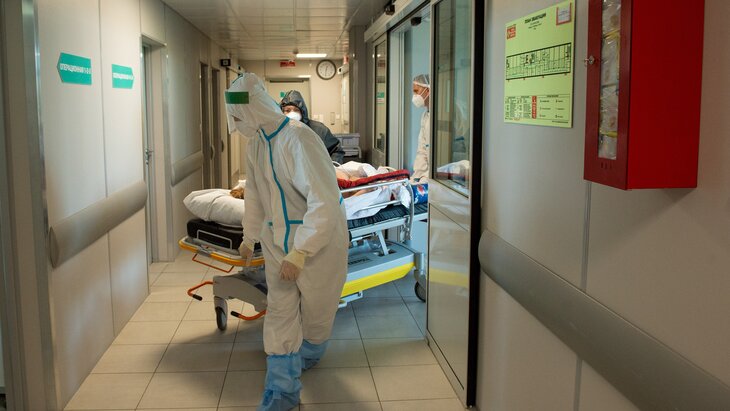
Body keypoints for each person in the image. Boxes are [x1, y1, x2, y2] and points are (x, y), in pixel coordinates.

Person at [225, 73, 348, 411]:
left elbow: (324, 201)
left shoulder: (300, 139)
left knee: (317, 312)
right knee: (280, 310)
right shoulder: (256, 143)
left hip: (319, 244)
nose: (236, 124)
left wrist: (302, 251)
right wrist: (250, 237)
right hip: (278, 242)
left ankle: (310, 350)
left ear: (253, 108)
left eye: (238, 116)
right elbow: (255, 195)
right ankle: (282, 389)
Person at [280, 90, 346, 164]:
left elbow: (336, 150)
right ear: (282, 112)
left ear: (302, 111)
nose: (292, 114)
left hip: (317, 170)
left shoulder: (319, 130)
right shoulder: (278, 132)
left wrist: (332, 167)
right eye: (287, 110)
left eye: (296, 110)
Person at [411, 74, 431, 182]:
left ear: (427, 90)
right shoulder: (425, 116)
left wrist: (426, 177)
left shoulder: (443, 114)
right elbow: (422, 150)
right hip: (429, 174)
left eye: (416, 91)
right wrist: (416, 177)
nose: (414, 96)